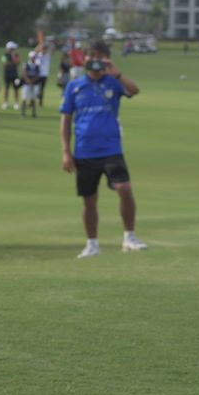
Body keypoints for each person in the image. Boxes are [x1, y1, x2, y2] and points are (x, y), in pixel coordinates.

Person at [60, 41, 146, 257]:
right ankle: (92, 244)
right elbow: (65, 120)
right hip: (84, 151)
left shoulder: (113, 83)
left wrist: (117, 74)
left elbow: (134, 90)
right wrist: (66, 151)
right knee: (89, 200)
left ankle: (129, 237)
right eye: (91, 56)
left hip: (111, 149)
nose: (95, 61)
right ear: (85, 59)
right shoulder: (74, 86)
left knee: (124, 189)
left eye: (100, 57)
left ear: (106, 59)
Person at [1, 41, 22, 111]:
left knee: (16, 89)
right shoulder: (4, 55)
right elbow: (5, 64)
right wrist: (12, 63)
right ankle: (5, 102)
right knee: (6, 89)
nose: (14, 49)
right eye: (12, 48)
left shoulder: (16, 55)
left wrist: (13, 58)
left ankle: (16, 103)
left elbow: (17, 62)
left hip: (15, 75)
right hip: (7, 74)